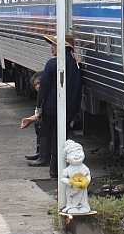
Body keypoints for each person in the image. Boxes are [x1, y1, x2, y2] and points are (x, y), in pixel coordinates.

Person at [20, 33, 82, 177]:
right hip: (68, 109)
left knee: (50, 137)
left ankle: (50, 165)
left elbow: (44, 87)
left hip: (51, 109)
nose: (52, 48)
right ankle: (57, 169)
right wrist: (76, 109)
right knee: (62, 138)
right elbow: (77, 89)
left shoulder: (52, 64)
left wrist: (38, 106)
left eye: (54, 45)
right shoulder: (75, 64)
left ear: (62, 46)